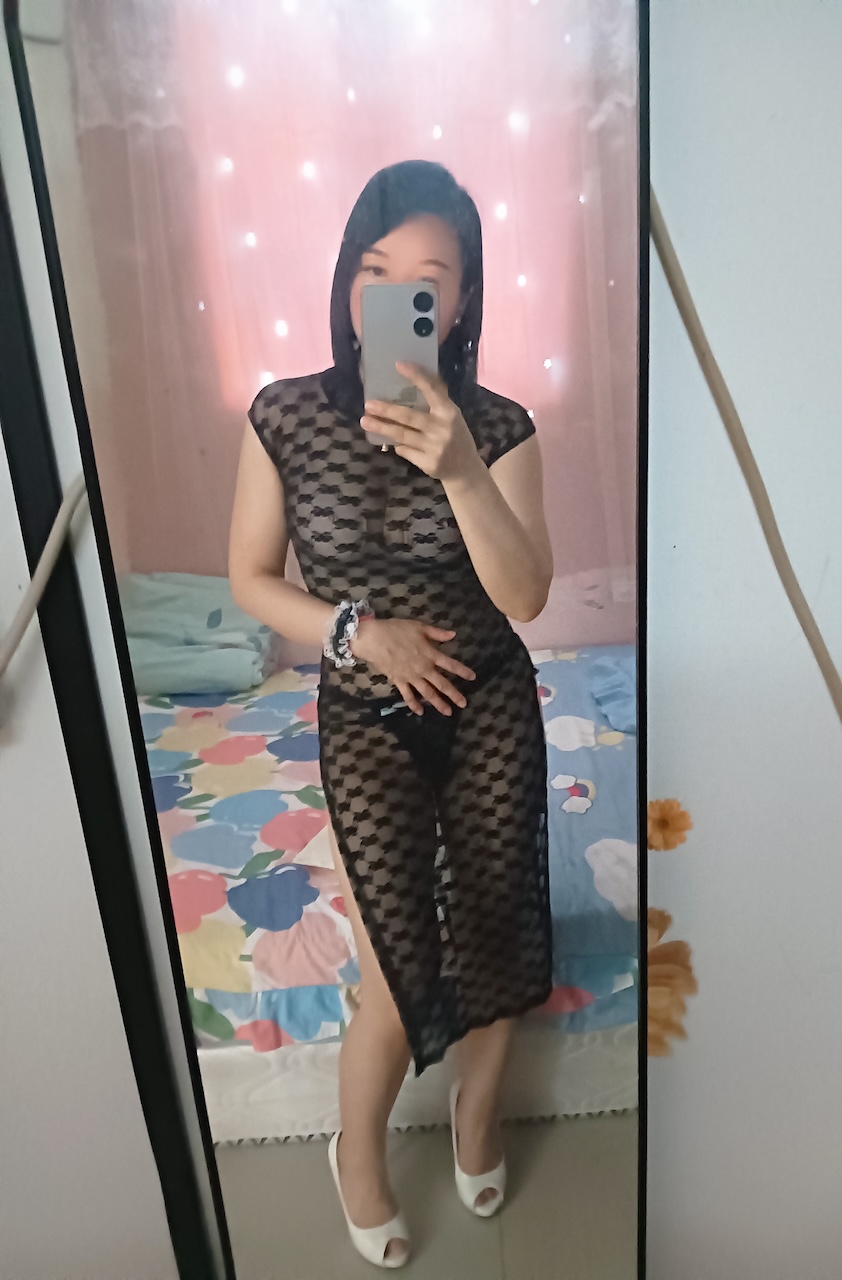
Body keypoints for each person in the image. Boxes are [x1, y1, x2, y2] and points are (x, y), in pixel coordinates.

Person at [228, 159, 554, 1268]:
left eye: (429, 279)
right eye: (377, 271)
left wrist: (460, 465)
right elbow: (251, 579)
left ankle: (476, 1113)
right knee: (394, 956)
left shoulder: (501, 427)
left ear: (459, 302)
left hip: (487, 701)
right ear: (348, 281)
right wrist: (359, 631)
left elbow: (525, 595)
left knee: (499, 930)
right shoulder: (283, 415)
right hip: (366, 711)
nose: (401, 295)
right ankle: (354, 1150)